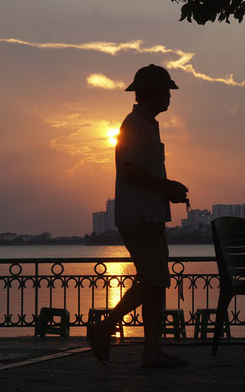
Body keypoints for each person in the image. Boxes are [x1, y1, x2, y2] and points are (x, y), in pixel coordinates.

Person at [88, 64, 189, 369]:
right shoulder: (136, 125)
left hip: (151, 216)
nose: (170, 98)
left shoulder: (146, 124)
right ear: (153, 94)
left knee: (157, 283)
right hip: (139, 217)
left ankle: (152, 350)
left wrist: (166, 190)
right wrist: (167, 186)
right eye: (166, 92)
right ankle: (106, 326)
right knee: (153, 279)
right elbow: (131, 170)